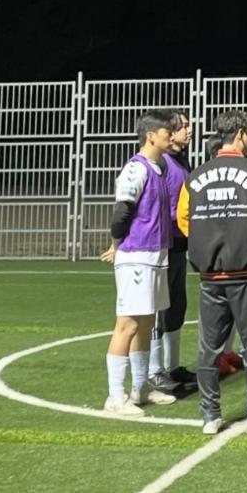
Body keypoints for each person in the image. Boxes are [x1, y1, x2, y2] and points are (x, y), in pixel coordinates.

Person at [177, 110, 247, 435]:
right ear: (241, 134)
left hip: (210, 277)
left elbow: (184, 220)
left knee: (208, 348)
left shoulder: (195, 176)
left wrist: (208, 240)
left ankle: (210, 415)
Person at [101, 109, 180, 416]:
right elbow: (122, 211)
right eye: (166, 132)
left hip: (155, 256)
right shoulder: (136, 169)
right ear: (151, 136)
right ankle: (115, 396)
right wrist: (117, 244)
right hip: (137, 257)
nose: (171, 136)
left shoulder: (159, 167)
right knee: (128, 324)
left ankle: (140, 387)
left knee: (146, 323)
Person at [147, 110, 195, 393]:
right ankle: (154, 371)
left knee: (177, 305)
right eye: (184, 126)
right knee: (158, 308)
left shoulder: (181, 161)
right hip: (161, 245)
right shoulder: (161, 163)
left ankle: (172, 365)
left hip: (178, 245)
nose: (189, 130)